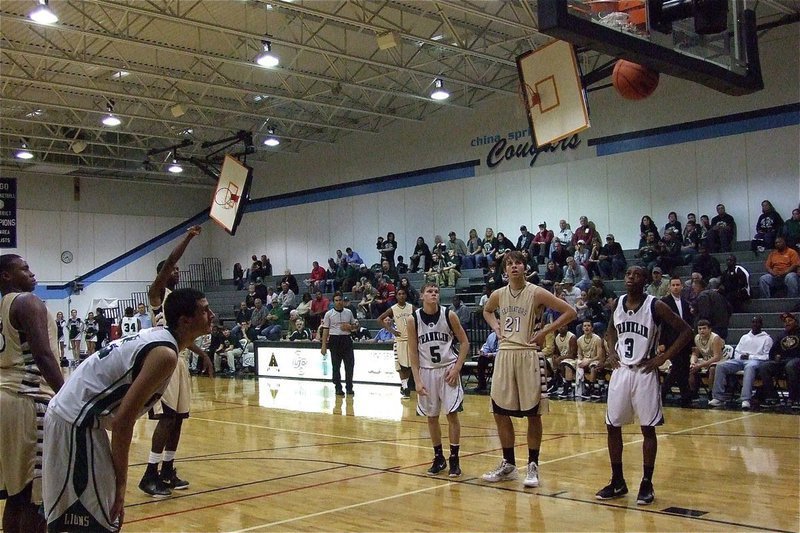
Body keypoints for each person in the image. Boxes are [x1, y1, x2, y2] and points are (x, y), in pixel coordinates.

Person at [42, 288, 214, 532]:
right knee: (97, 519)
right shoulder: (164, 354)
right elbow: (124, 422)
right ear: (185, 321)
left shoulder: (162, 337)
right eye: (205, 310)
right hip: (74, 422)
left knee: (82, 519)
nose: (212, 315)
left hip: (75, 418)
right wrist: (121, 484)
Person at [595, 265, 692, 506]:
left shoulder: (655, 305)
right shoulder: (617, 303)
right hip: (621, 372)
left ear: (645, 280)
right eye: (628, 274)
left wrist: (664, 357)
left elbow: (686, 331)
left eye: (636, 275)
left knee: (647, 429)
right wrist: (611, 351)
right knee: (612, 425)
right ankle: (617, 481)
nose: (631, 278)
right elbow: (610, 330)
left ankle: (646, 483)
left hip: (644, 372)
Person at [481, 251, 577, 488]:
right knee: (499, 411)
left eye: (518, 263)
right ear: (505, 270)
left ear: (525, 267)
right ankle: (509, 464)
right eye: (510, 264)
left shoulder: (536, 292)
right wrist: (496, 327)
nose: (514, 267)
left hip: (527, 354)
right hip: (505, 354)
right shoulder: (498, 294)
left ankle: (533, 465)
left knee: (533, 414)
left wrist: (545, 332)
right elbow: (486, 311)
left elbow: (570, 312)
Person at [139, 225, 214, 498]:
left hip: (179, 358)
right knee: (167, 418)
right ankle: (150, 473)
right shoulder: (157, 297)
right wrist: (189, 238)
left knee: (179, 418)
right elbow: (170, 261)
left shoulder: (180, 303)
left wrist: (202, 354)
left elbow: (184, 336)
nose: (176, 272)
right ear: (162, 274)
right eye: (172, 270)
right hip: (162, 359)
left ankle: (168, 469)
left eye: (178, 271)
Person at [0, 254, 64, 533]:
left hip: (6, 396)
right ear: (6, 276)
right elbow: (43, 355)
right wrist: (67, 397)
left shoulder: (2, 305)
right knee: (35, 496)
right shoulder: (26, 301)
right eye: (24, 268)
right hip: (28, 398)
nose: (32, 273)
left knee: (16, 496)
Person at [408, 283, 470, 477]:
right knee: (432, 417)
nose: (433, 294)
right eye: (429, 292)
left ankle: (454, 458)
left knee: (452, 414)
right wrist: (417, 381)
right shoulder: (413, 319)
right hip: (427, 371)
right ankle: (439, 457)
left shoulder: (449, 315)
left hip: (447, 370)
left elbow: (465, 342)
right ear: (421, 296)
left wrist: (458, 368)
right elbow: (412, 351)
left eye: (436, 292)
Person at [709, 316, 773, 410]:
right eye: (753, 322)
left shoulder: (767, 339)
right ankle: (718, 397)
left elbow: (767, 356)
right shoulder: (745, 337)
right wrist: (741, 356)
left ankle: (746, 399)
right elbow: (737, 351)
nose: (755, 324)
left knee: (749, 367)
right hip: (740, 360)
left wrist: (750, 357)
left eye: (757, 322)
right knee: (721, 366)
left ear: (761, 325)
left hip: (756, 361)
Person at [659, 276, 694, 406]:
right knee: (677, 367)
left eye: (678, 285)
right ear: (669, 287)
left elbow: (689, 323)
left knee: (683, 368)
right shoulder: (664, 302)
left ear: (682, 286)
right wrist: (661, 342)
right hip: (671, 341)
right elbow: (662, 324)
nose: (675, 287)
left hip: (684, 341)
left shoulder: (685, 303)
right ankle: (662, 393)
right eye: (673, 285)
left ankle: (686, 397)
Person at [378, 287, 415, 399]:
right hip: (399, 341)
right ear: (396, 296)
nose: (401, 296)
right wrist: (392, 330)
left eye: (403, 293)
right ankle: (405, 387)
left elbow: (421, 318)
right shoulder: (393, 309)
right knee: (400, 366)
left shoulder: (411, 307)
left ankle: (404, 386)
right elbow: (379, 319)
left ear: (406, 295)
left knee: (409, 366)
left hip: (410, 340)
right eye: (399, 294)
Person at [758, 312, 800, 409]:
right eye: (785, 322)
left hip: (796, 360)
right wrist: (775, 356)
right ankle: (772, 397)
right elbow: (772, 352)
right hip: (783, 361)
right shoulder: (781, 335)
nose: (787, 323)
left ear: (796, 322)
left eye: (790, 320)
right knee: (764, 367)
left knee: (790, 365)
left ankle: (795, 397)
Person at [320, 292, 357, 396]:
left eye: (340, 300)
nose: (339, 302)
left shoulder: (349, 312)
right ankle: (338, 387)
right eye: (336, 300)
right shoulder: (329, 314)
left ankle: (349, 387)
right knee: (336, 365)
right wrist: (324, 345)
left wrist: (350, 327)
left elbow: (355, 326)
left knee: (349, 365)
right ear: (333, 302)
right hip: (334, 340)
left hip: (346, 339)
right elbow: (325, 330)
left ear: (343, 301)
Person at [689, 320, 725, 398]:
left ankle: (711, 393)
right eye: (700, 329)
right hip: (706, 360)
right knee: (692, 368)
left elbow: (717, 357)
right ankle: (693, 393)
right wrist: (692, 362)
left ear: (709, 329)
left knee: (712, 369)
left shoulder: (715, 338)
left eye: (704, 328)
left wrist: (700, 365)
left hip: (720, 361)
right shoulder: (697, 338)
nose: (702, 330)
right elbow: (695, 354)